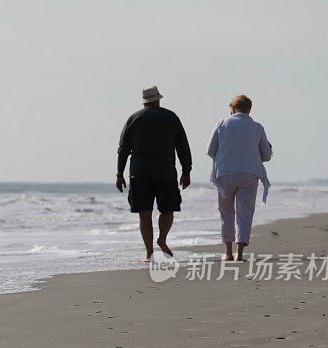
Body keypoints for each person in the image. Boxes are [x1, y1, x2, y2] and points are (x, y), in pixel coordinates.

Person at [116, 85, 192, 262]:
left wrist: (119, 173)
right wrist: (186, 171)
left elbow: (123, 149)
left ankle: (149, 253)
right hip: (166, 173)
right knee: (168, 209)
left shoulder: (133, 119)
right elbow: (183, 147)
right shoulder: (171, 117)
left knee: (144, 213)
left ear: (144, 101)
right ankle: (162, 239)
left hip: (139, 174)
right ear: (158, 99)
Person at [206, 94, 273, 261]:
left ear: (233, 108)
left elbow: (210, 150)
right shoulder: (257, 127)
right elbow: (266, 155)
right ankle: (240, 254)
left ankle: (228, 253)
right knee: (245, 212)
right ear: (249, 109)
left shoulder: (222, 123)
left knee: (226, 212)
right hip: (249, 174)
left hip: (225, 173)